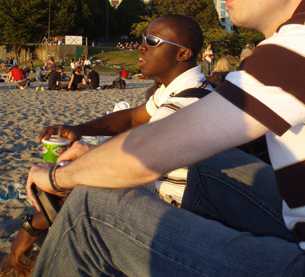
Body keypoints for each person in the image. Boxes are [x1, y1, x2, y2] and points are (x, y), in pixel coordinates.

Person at [26, 0, 305, 277]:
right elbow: (144, 127)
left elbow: (156, 144)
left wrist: (62, 175)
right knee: (204, 165)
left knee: (91, 211)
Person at [11, 15, 212, 273]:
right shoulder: (182, 89)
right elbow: (132, 116)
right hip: (163, 194)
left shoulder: (184, 105)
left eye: (152, 41)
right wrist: (78, 130)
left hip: (175, 219)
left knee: (84, 193)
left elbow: (129, 170)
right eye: (142, 40)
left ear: (182, 53)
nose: (140, 47)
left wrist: (38, 215)